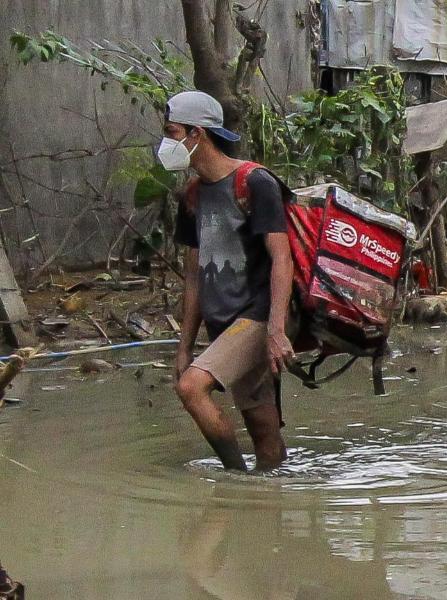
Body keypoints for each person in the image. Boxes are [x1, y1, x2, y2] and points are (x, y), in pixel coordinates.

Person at [164, 91, 295, 472]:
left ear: (196, 134)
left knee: (191, 388)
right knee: (267, 441)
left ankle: (235, 481)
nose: (166, 142)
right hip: (224, 324)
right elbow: (194, 275)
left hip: (255, 317)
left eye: (171, 132)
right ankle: (267, 510)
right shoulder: (191, 196)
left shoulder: (255, 182)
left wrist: (275, 330)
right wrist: (184, 346)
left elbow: (281, 258)